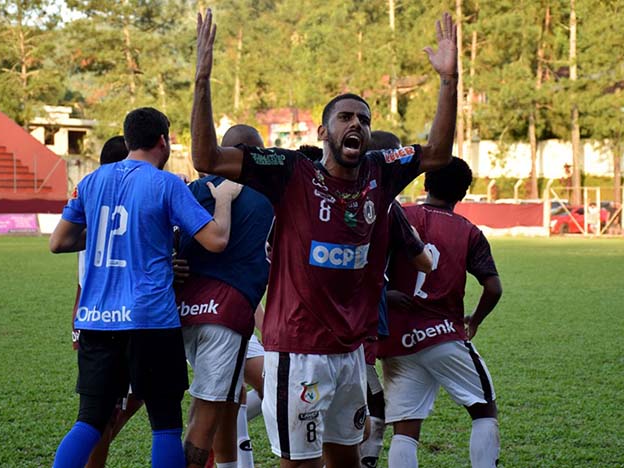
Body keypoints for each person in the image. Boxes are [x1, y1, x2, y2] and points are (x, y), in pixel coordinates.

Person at [190, 9, 458, 468]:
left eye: (363, 119)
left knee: (347, 461)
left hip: (351, 354)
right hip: (299, 354)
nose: (355, 124)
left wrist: (449, 82)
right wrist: (202, 80)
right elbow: (206, 157)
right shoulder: (292, 172)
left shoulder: (380, 171)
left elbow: (437, 153)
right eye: (345, 118)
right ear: (323, 131)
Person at [49, 107, 238, 468]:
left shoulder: (90, 181)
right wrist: (224, 203)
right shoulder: (164, 182)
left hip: (96, 321)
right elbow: (215, 240)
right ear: (163, 141)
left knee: (89, 420)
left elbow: (59, 242)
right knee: (165, 424)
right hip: (150, 320)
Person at [378, 158, 502, 468]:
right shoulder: (468, 231)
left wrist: (384, 297)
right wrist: (475, 319)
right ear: (462, 194)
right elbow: (494, 288)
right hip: (442, 335)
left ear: (424, 184)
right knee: (484, 409)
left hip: (396, 340)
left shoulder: (398, 216)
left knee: (405, 430)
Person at [175, 124, 274, 468]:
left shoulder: (190, 190)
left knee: (227, 404)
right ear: (250, 154)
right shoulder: (269, 195)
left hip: (183, 313)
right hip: (225, 316)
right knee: (205, 417)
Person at [67, 135, 145, 468]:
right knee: (100, 415)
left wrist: (75, 317)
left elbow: (80, 270)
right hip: (115, 319)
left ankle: (92, 448)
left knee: (110, 409)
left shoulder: (94, 196)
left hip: (92, 315)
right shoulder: (118, 202)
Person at [360, 131, 434, 468]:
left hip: (318, 312)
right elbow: (424, 262)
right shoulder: (388, 205)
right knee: (370, 401)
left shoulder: (325, 193)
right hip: (360, 315)